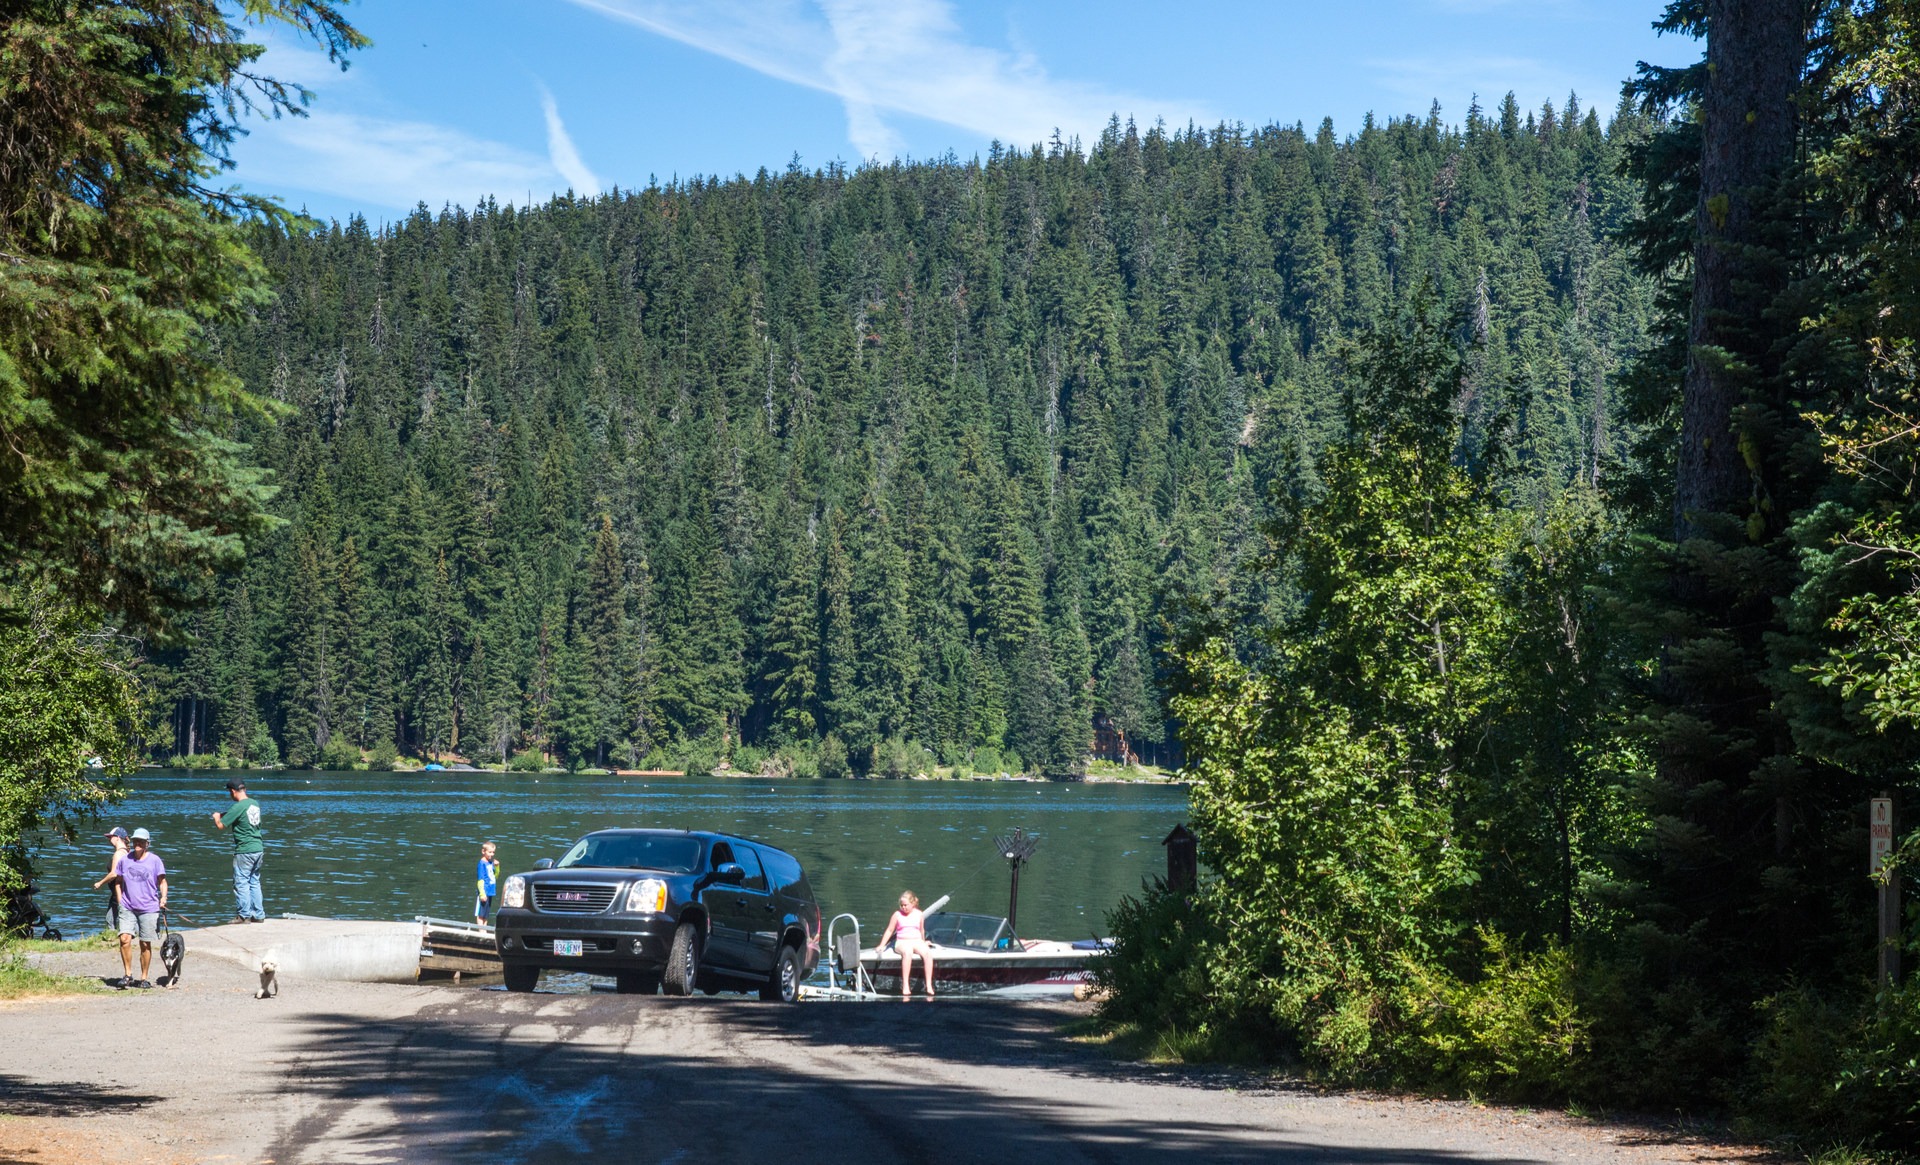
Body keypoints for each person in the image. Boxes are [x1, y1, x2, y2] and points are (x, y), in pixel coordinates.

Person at [114, 828, 168, 989]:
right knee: (124, 939)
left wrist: (163, 898)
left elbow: (162, 882)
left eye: (141, 841)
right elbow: (118, 882)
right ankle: (127, 975)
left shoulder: (155, 860)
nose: (137, 844)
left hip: (149, 908)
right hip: (127, 906)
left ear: (147, 844)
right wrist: (120, 901)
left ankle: (144, 978)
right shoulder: (124, 860)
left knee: (145, 944)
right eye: (135, 841)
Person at [210, 778, 265, 923]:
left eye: (229, 792)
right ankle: (258, 914)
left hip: (245, 850)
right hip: (258, 848)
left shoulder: (238, 806)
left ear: (233, 791)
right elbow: (240, 814)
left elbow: (221, 826)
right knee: (254, 881)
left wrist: (216, 817)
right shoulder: (254, 803)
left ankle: (243, 915)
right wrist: (226, 814)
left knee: (241, 882)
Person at [877, 890, 935, 998]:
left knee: (927, 953)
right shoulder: (897, 915)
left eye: (906, 905)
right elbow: (889, 930)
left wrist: (923, 942)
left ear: (913, 904)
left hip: (916, 940)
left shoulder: (919, 914)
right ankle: (906, 985)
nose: (903, 907)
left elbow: (921, 930)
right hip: (902, 941)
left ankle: (928, 985)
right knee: (908, 952)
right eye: (901, 905)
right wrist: (881, 945)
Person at [94, 826, 131, 984]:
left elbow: (114, 873)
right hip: (122, 891)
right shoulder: (128, 852)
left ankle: (112, 938)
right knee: (114, 915)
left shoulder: (118, 853)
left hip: (119, 892)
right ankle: (120, 935)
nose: (109, 840)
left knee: (111, 918)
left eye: (111, 837)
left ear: (118, 838)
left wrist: (100, 882)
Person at [474, 841, 500, 926]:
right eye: (490, 852)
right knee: (480, 914)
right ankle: (481, 931)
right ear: (483, 851)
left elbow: (495, 876)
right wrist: (482, 893)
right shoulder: (481, 864)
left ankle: (484, 929)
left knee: (486, 915)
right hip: (484, 892)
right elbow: (480, 880)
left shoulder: (490, 863)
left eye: (493, 852)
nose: (492, 854)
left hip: (490, 891)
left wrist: (497, 867)